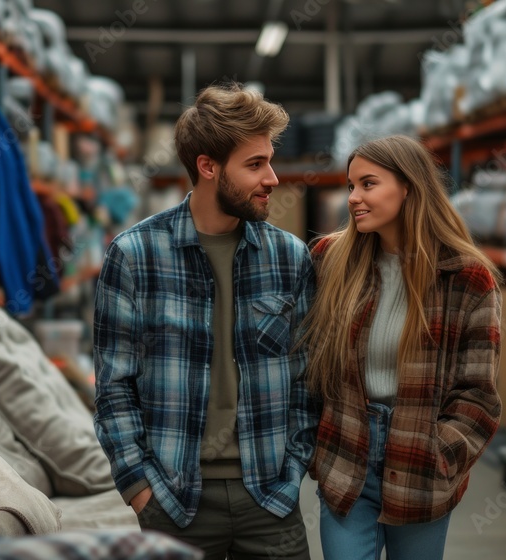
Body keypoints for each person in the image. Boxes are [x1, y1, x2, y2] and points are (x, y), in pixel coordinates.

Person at [93, 82, 317, 560]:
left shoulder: (289, 258)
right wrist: (139, 488)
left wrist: (294, 468)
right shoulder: (134, 257)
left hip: (270, 497)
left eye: (270, 160)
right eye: (255, 165)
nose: (273, 178)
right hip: (174, 501)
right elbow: (114, 387)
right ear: (208, 167)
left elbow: (307, 378)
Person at [304, 135, 502, 560]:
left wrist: (440, 456)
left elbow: (478, 396)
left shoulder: (466, 279)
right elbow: (303, 364)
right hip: (347, 455)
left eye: (368, 184)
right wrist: (314, 448)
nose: (353, 197)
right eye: (351, 185)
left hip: (421, 465)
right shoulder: (329, 261)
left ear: (409, 186)